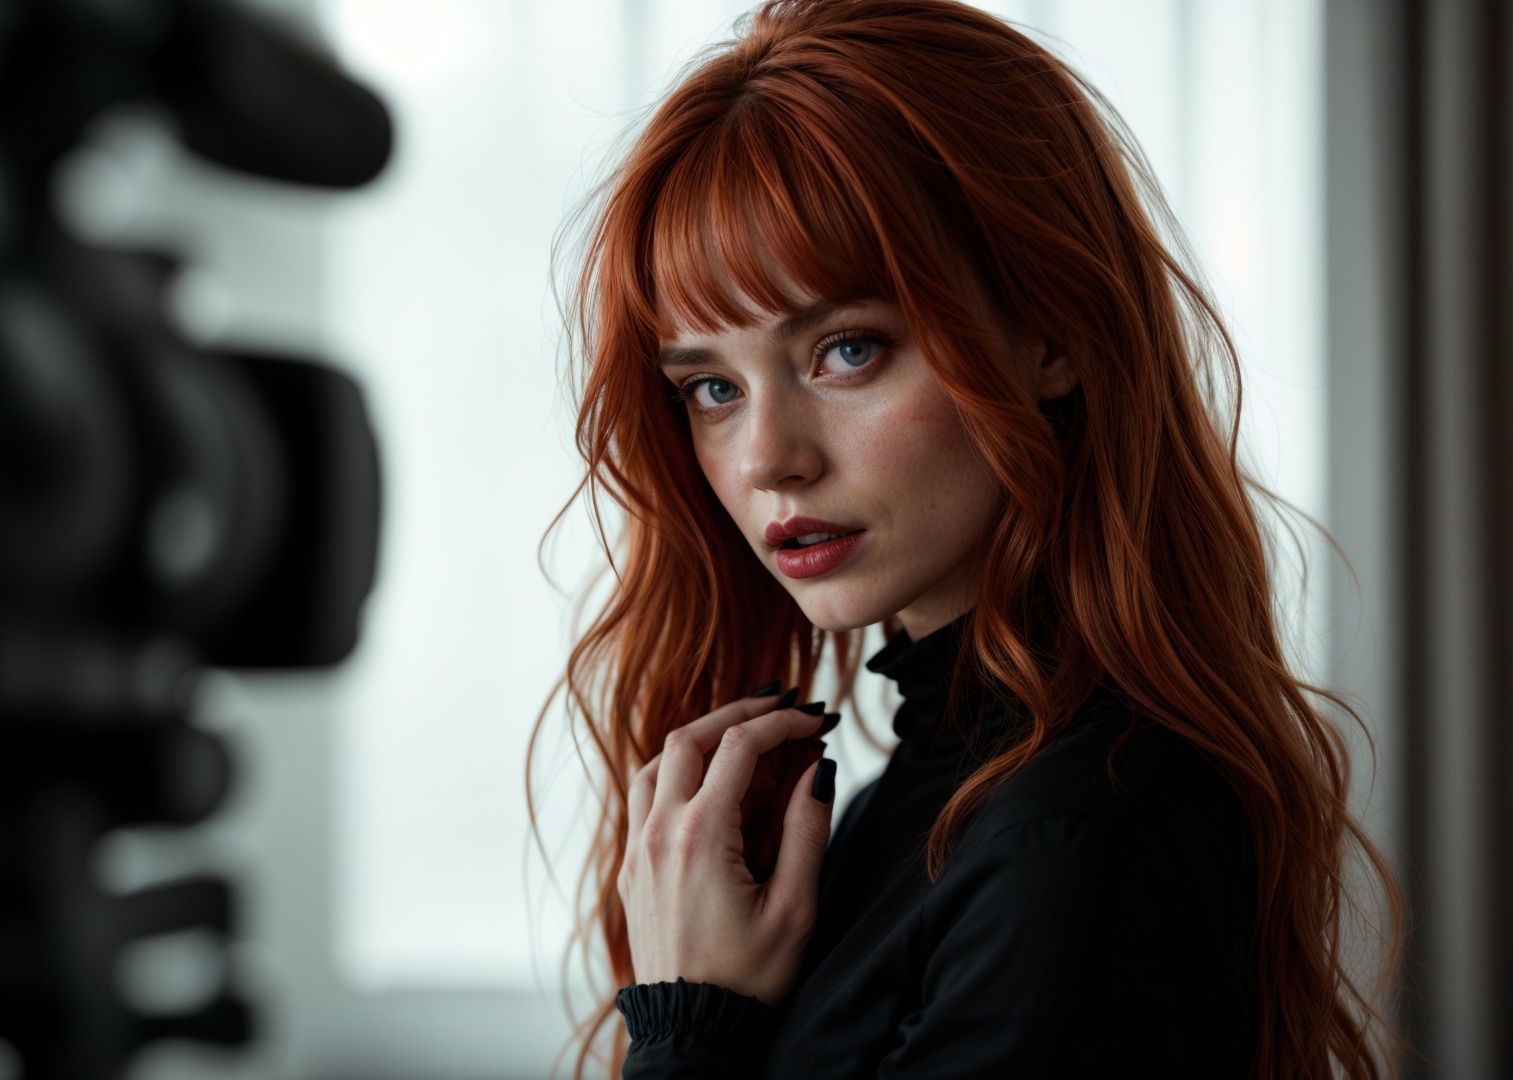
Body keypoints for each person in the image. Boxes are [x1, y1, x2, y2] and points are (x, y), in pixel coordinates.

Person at [524, 1, 1412, 1077]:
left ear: (1052, 334)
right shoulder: (931, 803)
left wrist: (690, 1033)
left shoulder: (1072, 837)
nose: (766, 458)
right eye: (711, 386)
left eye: (847, 350)